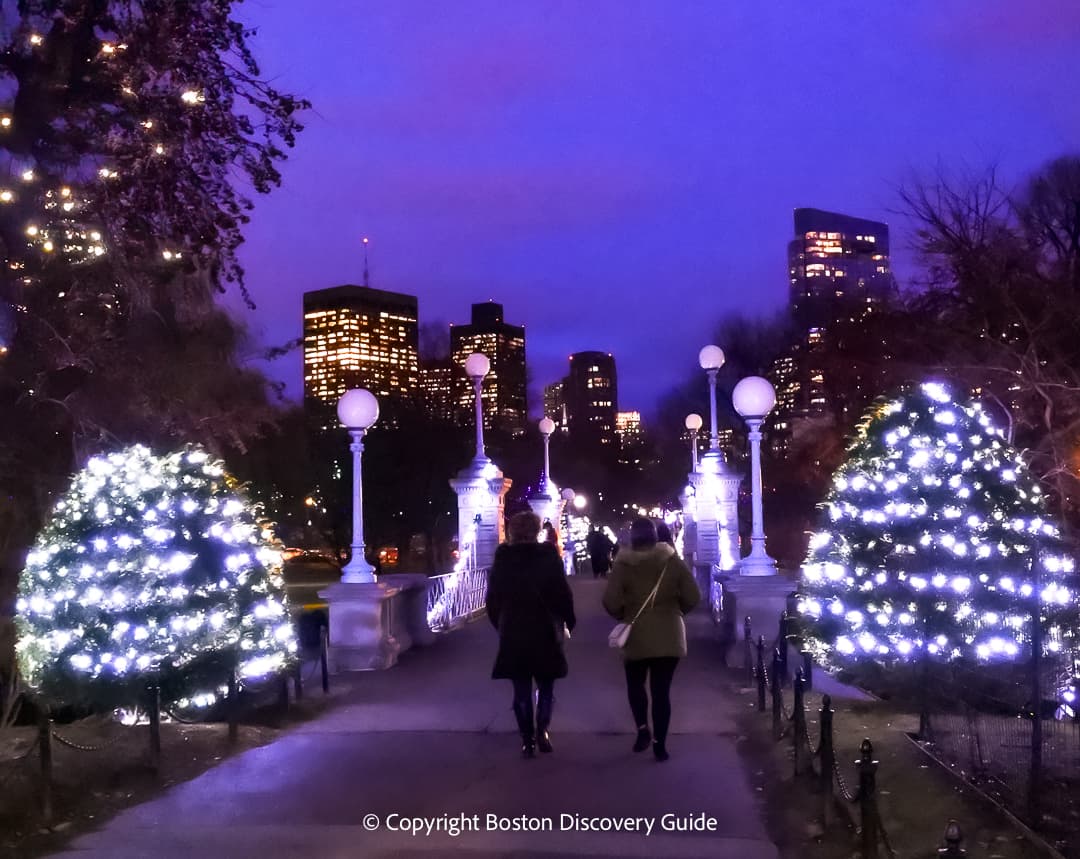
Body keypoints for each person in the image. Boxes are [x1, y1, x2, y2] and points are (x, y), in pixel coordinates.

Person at [602, 517, 700, 762]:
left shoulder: (623, 565)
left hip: (635, 634)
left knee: (635, 685)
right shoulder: (672, 562)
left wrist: (624, 614)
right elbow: (693, 596)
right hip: (669, 633)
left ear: (633, 538)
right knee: (661, 691)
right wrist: (676, 612)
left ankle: (643, 730)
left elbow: (610, 601)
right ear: (656, 537)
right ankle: (660, 744)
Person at [486, 511, 576, 758]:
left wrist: (501, 624)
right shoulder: (548, 555)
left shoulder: (503, 558)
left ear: (513, 532)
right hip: (545, 628)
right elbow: (562, 592)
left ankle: (526, 740)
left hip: (514, 629)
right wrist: (569, 620)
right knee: (546, 686)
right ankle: (543, 732)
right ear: (537, 530)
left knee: (521, 689)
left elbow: (493, 599)